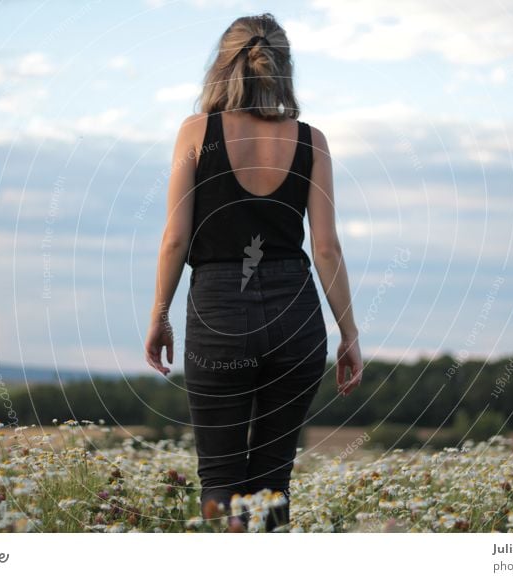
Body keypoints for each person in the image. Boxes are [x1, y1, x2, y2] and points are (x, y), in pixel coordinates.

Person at [145, 12, 362, 531]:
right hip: (297, 318)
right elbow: (326, 247)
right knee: (272, 482)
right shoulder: (313, 141)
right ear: (283, 69)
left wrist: (159, 314)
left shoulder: (196, 132)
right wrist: (348, 333)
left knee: (219, 479)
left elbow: (176, 237)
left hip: (219, 311)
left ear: (223, 67)